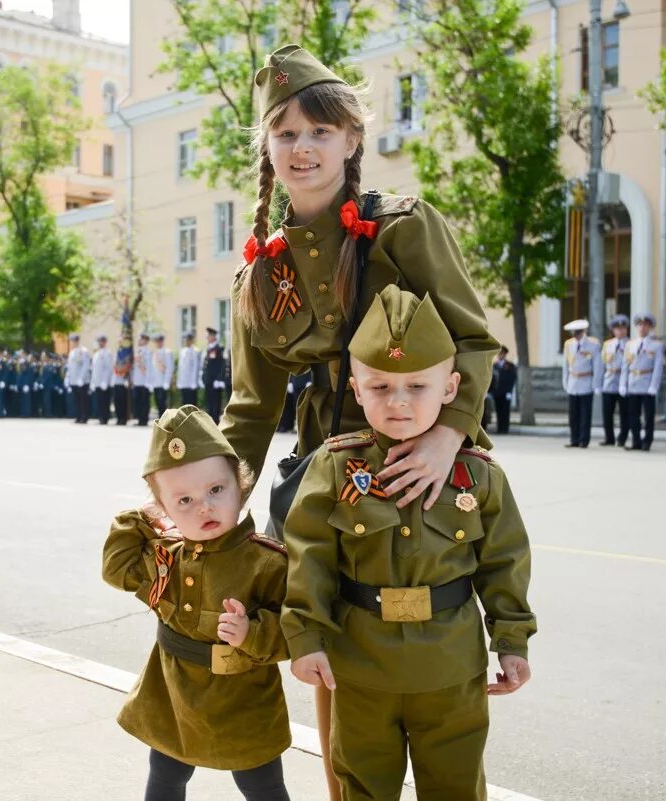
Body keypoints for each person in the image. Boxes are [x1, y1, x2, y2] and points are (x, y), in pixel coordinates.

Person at [219, 44, 499, 801]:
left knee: (436, 668)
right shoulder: (261, 272)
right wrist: (211, 504)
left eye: (320, 130)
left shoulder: (401, 231)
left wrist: (449, 435)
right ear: (268, 151)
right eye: (285, 134)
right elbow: (250, 410)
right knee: (335, 672)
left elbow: (474, 339)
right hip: (327, 487)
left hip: (424, 469)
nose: (302, 147)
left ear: (351, 140)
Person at [282, 287, 534, 801]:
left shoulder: (477, 476)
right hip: (360, 666)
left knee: (455, 787)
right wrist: (305, 637)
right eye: (379, 386)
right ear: (355, 388)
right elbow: (310, 559)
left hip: (450, 668)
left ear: (451, 387)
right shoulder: (334, 468)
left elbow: (504, 563)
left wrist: (511, 641)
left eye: (417, 386)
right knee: (364, 788)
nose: (398, 402)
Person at [102, 405, 292, 801]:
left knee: (262, 784)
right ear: (165, 510)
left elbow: (297, 630)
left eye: (216, 490)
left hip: (242, 698)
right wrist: (143, 515)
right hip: (173, 696)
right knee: (166, 773)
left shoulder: (266, 561)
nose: (203, 506)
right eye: (183, 501)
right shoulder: (167, 555)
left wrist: (251, 633)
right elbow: (117, 569)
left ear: (241, 485)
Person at [620, 313, 664, 451]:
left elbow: (658, 367)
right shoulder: (630, 345)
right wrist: (623, 383)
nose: (642, 327)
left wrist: (654, 385)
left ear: (649, 327)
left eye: (645, 325)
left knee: (648, 415)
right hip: (633, 382)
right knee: (633, 414)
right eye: (639, 325)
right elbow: (625, 366)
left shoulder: (656, 345)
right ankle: (636, 440)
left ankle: (647, 440)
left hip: (647, 382)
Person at [561, 319, 600, 448]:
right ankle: (574, 439)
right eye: (574, 333)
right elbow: (565, 365)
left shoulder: (593, 344)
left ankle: (584, 440)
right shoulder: (569, 344)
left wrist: (596, 384)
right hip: (573, 382)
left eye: (578, 333)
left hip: (586, 382)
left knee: (585, 414)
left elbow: (597, 366)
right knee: (573, 414)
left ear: (583, 332)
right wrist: (565, 381)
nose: (576, 335)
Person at [599, 314, 630, 446]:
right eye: (617, 329)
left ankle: (622, 437)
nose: (620, 331)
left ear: (626, 330)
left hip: (625, 381)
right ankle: (609, 437)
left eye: (623, 328)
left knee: (625, 412)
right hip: (609, 380)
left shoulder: (631, 344)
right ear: (613, 330)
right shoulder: (607, 345)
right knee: (607, 412)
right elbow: (602, 364)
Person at [489, 346, 516, 435]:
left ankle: (505, 429)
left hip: (506, 393)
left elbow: (512, 379)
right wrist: (490, 391)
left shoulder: (510, 366)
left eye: (502, 353)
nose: (500, 355)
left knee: (505, 411)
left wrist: (509, 392)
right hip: (497, 393)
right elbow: (491, 379)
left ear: (505, 354)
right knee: (498, 411)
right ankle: (500, 429)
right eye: (499, 354)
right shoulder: (495, 366)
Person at [66, 334, 92, 424]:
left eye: (73, 341)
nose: (72, 342)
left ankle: (84, 417)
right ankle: (78, 416)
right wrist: (68, 378)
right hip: (74, 380)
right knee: (76, 399)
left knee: (83, 400)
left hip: (82, 381)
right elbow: (70, 366)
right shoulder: (72, 352)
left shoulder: (83, 351)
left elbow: (86, 365)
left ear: (77, 341)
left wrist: (81, 378)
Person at [202, 327, 226, 424]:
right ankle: (210, 422)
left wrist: (219, 379)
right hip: (208, 381)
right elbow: (207, 365)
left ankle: (215, 422)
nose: (206, 337)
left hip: (215, 382)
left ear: (213, 337)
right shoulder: (209, 348)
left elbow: (221, 365)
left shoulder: (218, 349)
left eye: (208, 336)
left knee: (216, 402)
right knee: (209, 402)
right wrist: (203, 377)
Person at [150, 334, 174, 417]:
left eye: (159, 341)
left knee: (162, 402)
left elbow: (170, 367)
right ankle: (160, 419)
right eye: (156, 341)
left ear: (162, 341)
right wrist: (151, 382)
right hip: (156, 382)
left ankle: (164, 419)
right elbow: (152, 369)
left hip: (163, 382)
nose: (157, 343)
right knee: (157, 401)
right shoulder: (155, 353)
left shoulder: (167, 352)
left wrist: (167, 381)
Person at [92, 334, 113, 425]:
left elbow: (108, 368)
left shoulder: (107, 353)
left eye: (102, 341)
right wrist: (93, 382)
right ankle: (100, 417)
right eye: (99, 341)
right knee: (99, 400)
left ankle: (105, 418)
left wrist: (105, 381)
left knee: (105, 401)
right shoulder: (96, 354)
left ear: (105, 342)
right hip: (97, 381)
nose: (100, 343)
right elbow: (94, 369)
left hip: (104, 382)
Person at [132, 333, 152, 426]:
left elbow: (149, 367)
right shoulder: (137, 351)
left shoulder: (148, 352)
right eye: (139, 339)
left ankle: (144, 419)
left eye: (141, 339)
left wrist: (149, 381)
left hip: (145, 381)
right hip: (137, 380)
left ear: (146, 341)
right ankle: (140, 419)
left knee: (144, 401)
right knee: (137, 400)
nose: (139, 341)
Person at [177, 333, 201, 407]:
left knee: (192, 403)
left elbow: (195, 367)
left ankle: (192, 418)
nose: (186, 341)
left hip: (191, 383)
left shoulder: (195, 351)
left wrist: (194, 382)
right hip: (183, 382)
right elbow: (180, 368)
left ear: (191, 341)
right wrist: (179, 381)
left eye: (187, 340)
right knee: (184, 402)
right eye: (185, 340)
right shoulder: (182, 351)